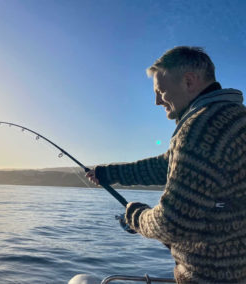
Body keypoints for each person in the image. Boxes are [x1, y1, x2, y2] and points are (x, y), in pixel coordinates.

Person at [86, 46, 246, 283]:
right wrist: (108, 173)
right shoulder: (232, 117)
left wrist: (135, 216)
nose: (157, 100)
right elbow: (166, 165)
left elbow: (170, 223)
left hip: (211, 276)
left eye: (161, 91)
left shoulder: (200, 129)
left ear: (189, 81)